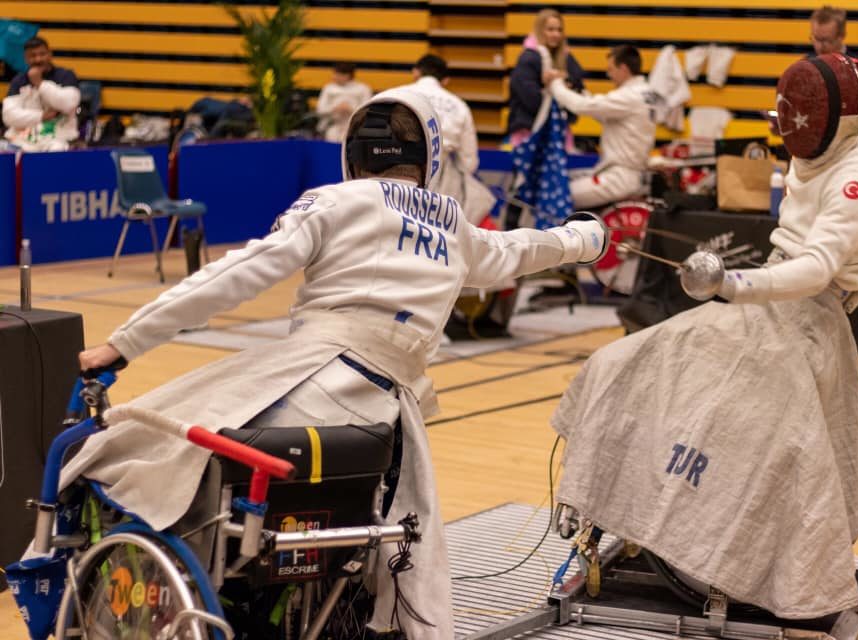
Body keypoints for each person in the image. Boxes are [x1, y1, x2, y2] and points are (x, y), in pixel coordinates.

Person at [63, 88, 608, 639]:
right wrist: (584, 238)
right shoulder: (453, 227)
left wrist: (124, 344)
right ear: (430, 159)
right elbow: (519, 249)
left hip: (306, 383)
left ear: (352, 154)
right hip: (388, 419)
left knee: (110, 448)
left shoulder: (333, 201)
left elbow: (237, 275)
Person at [551, 53, 858, 620]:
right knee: (620, 362)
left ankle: (755, 559)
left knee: (765, 437)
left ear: (839, 118)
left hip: (808, 321)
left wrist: (732, 283)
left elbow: (815, 268)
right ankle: (604, 494)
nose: (791, 128)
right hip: (760, 310)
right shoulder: (813, 154)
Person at [545, 44, 657, 209]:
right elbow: (602, 112)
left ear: (624, 69)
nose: (608, 74)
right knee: (565, 181)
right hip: (624, 173)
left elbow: (583, 106)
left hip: (619, 178)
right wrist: (578, 92)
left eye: (611, 69)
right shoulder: (645, 93)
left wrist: (556, 85)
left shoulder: (629, 96)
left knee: (557, 196)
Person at [402, 53, 495, 225]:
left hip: (394, 173)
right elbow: (469, 162)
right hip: (440, 179)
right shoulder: (459, 105)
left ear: (415, 72)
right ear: (445, 80)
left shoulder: (396, 94)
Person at [507, 8, 584, 148]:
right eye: (550, 29)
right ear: (539, 30)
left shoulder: (566, 58)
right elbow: (530, 99)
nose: (556, 34)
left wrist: (564, 80)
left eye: (559, 30)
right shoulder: (528, 59)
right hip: (530, 131)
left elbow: (579, 86)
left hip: (559, 131)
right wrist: (553, 89)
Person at [810, 5, 858, 136]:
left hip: (850, 149)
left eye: (826, 40)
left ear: (842, 35)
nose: (820, 47)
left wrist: (845, 133)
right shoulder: (804, 67)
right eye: (816, 39)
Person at [2, 37, 80, 151]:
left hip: (57, 138)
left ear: (50, 54)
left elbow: (68, 104)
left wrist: (40, 83)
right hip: (23, 139)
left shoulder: (65, 76)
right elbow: (9, 116)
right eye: (32, 55)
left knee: (56, 149)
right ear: (26, 58)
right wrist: (41, 116)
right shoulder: (18, 81)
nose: (38, 59)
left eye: (42, 54)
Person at [315, 61, 372, 142]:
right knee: (332, 134)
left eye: (337, 74)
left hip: (354, 126)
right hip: (333, 124)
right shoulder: (328, 88)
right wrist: (335, 108)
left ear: (347, 75)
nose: (334, 77)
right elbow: (320, 110)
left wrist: (351, 109)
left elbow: (367, 112)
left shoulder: (363, 89)